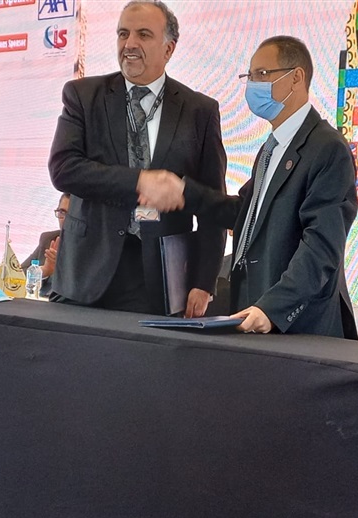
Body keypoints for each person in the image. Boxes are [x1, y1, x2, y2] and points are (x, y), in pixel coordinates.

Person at [168, 36, 358, 337]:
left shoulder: (327, 149)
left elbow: (322, 247)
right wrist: (182, 193)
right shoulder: (272, 148)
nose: (252, 85)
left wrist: (272, 308)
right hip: (253, 313)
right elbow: (247, 214)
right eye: (250, 76)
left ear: (296, 77)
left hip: (298, 328)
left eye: (262, 74)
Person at [47, 0, 227, 317]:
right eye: (123, 34)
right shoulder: (83, 96)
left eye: (143, 34)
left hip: (159, 278)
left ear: (168, 48)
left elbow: (212, 203)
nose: (129, 44)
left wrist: (203, 281)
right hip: (86, 273)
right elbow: (64, 168)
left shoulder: (199, 111)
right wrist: (139, 181)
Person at [21, 192, 70, 280]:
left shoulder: (94, 247)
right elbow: (18, 274)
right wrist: (45, 270)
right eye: (62, 212)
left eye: (71, 215)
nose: (65, 219)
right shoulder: (49, 239)